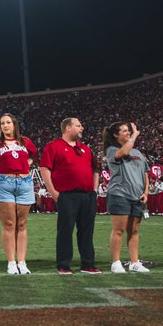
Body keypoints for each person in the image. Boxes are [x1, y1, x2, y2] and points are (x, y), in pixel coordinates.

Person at [0, 113, 37, 275]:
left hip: (24, 183)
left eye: (8, 122)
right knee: (9, 224)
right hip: (3, 183)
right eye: (2, 123)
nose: (5, 125)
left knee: (22, 224)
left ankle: (22, 263)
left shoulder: (25, 141)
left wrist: (29, 163)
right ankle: (11, 262)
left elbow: (34, 154)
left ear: (14, 125)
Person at [39, 117, 100, 275]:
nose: (82, 128)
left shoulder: (85, 149)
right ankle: (63, 265)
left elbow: (95, 169)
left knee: (87, 231)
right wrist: (53, 192)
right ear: (68, 128)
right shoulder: (53, 146)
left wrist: (94, 190)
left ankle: (88, 264)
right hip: (67, 195)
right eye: (78, 125)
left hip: (87, 195)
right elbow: (44, 169)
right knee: (65, 231)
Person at [103, 122, 150, 274]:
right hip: (119, 194)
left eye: (129, 131)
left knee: (134, 230)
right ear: (116, 135)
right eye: (124, 131)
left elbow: (145, 173)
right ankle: (116, 262)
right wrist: (135, 135)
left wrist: (146, 192)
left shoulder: (138, 152)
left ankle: (134, 262)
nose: (128, 133)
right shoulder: (111, 150)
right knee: (119, 230)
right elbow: (122, 153)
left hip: (137, 196)